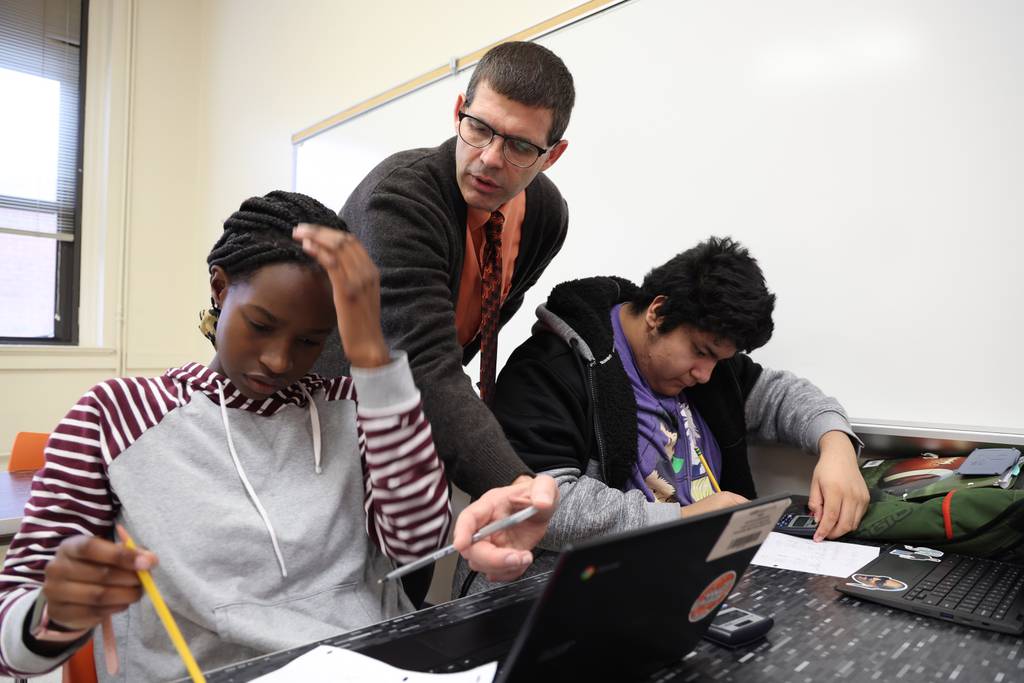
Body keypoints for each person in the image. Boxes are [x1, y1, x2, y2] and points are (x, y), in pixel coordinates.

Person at [0, 192, 553, 681]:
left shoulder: (355, 406)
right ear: (219, 287)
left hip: (372, 663)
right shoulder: (114, 417)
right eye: (260, 325)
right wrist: (57, 608)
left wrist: (370, 354)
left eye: (312, 340)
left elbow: (417, 543)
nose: (278, 359)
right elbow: (13, 647)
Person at [455, 236, 870, 596]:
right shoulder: (549, 369)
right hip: (568, 592)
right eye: (701, 353)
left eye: (719, 360)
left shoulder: (709, 372)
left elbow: (781, 395)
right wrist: (684, 520)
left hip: (692, 580)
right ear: (657, 312)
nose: (706, 374)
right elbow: (546, 508)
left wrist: (836, 445)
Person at [314, 41, 574, 501]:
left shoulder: (546, 217)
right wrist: (515, 484)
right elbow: (424, 362)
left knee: (414, 560)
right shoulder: (400, 200)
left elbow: (473, 333)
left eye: (519, 146)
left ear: (551, 156)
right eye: (479, 128)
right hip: (329, 422)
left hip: (416, 426)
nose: (491, 158)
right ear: (459, 111)